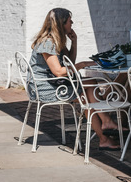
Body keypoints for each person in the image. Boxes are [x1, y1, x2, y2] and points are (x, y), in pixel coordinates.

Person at [30, 8, 122, 150]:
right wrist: (83, 65)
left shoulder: (57, 40)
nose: (72, 23)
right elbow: (59, 72)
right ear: (61, 24)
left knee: (89, 86)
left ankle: (105, 127)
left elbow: (70, 62)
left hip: (54, 83)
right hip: (44, 88)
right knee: (86, 92)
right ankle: (105, 127)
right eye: (69, 21)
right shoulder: (47, 42)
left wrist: (74, 42)